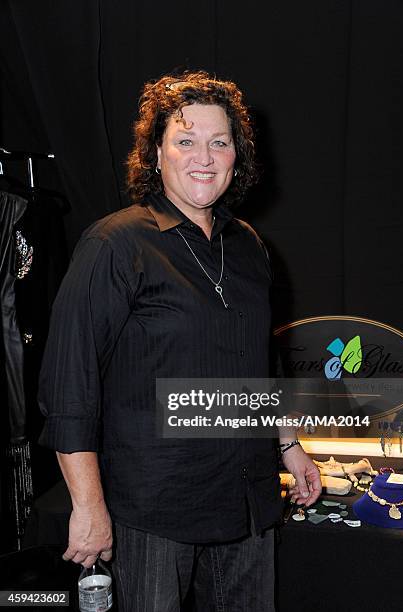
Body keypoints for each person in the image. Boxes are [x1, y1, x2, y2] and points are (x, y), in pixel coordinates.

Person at [38, 71, 321, 611]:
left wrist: (288, 444)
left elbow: (262, 363)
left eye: (220, 142)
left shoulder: (248, 246)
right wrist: (88, 507)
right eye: (185, 141)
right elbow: (69, 384)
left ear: (237, 156)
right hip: (154, 511)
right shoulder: (115, 244)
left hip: (245, 501)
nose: (204, 157)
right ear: (157, 153)